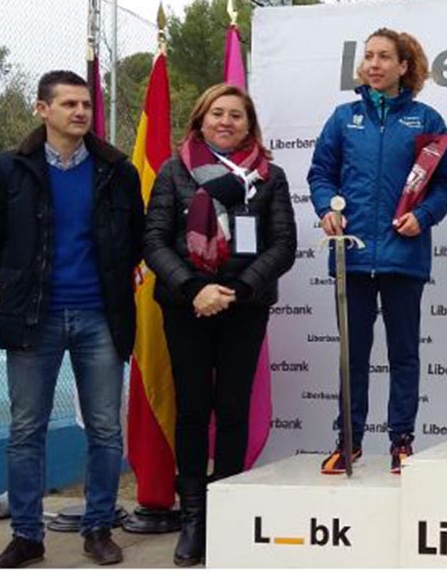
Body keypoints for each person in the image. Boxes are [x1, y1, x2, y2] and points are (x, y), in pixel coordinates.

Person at [0, 70, 143, 568]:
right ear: (41, 109)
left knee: (105, 429)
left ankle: (98, 528)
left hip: (100, 315)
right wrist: (23, 276)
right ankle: (27, 536)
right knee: (27, 430)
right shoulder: (10, 168)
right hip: (35, 317)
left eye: (86, 104)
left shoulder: (116, 169)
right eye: (69, 104)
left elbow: (133, 236)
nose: (80, 112)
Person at [144, 83, 297, 566]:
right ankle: (192, 519)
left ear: (249, 125)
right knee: (192, 410)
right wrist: (195, 289)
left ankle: (225, 514)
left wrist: (239, 290)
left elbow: (282, 245)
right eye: (217, 113)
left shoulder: (270, 177)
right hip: (186, 306)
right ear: (200, 119)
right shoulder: (174, 171)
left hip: (244, 306)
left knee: (233, 410)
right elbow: (155, 240)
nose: (226, 122)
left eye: (236, 115)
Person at [309, 28, 447, 474]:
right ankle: (349, 441)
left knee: (403, 353)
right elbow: (321, 174)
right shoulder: (342, 119)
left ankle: (402, 442)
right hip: (351, 256)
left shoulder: (427, 120)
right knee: (352, 354)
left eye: (384, 57)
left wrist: (425, 215)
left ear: (404, 66)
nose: (374, 65)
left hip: (403, 257)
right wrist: (325, 209)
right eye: (368, 57)